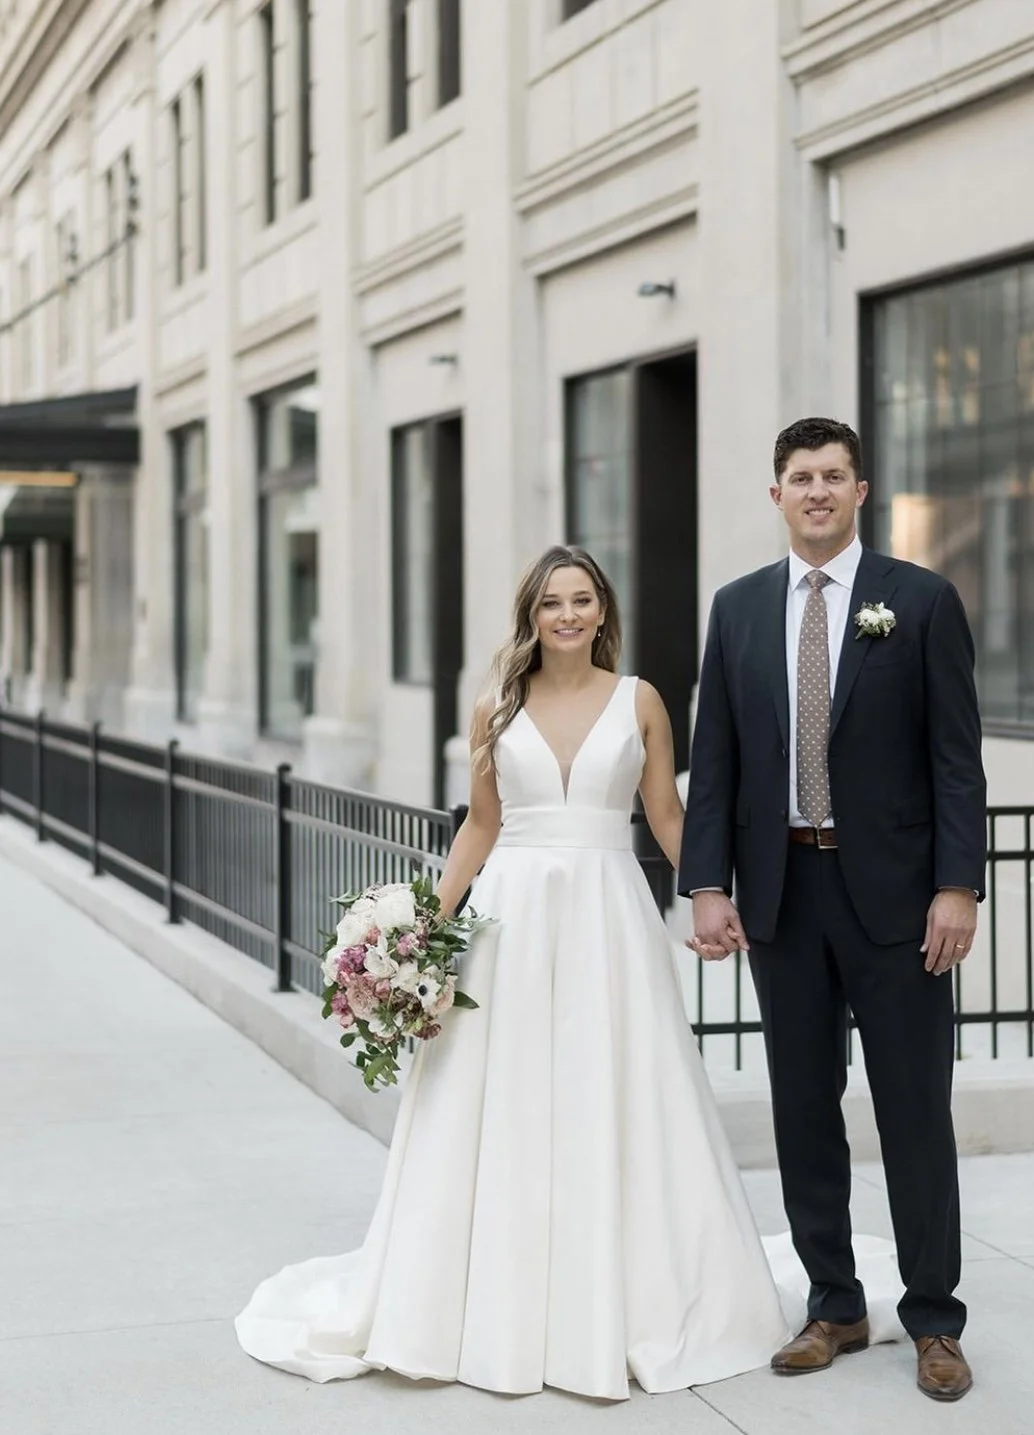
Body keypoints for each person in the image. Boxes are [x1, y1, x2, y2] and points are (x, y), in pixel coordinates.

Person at [236, 544, 791, 1400]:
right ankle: (493, 1303)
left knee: (618, 1088)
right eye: (551, 602)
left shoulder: (639, 700)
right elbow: (481, 825)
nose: (567, 615)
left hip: (610, 915)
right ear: (531, 615)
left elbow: (665, 813)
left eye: (582, 599)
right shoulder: (494, 704)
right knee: (508, 1098)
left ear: (602, 610)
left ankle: (624, 1297)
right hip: (513, 921)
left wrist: (714, 895)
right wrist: (425, 927)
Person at [679, 416, 987, 1404]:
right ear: (776, 494)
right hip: (783, 894)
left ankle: (933, 1318)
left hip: (899, 901)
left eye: (833, 475)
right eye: (800, 477)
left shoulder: (921, 601)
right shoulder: (736, 609)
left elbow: (955, 760)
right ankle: (835, 1304)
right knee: (803, 1109)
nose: (816, 491)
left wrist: (957, 884)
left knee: (913, 1111)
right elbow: (716, 760)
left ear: (861, 490)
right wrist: (708, 882)